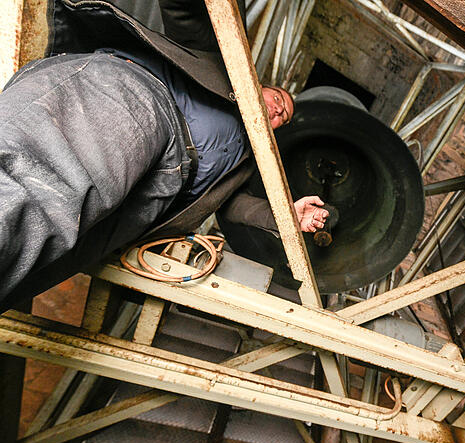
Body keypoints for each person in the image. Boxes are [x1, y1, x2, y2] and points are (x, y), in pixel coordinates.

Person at [0, 0, 328, 311]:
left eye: (281, 119)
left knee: (39, 264)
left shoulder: (243, 163)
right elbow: (183, 12)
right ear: (258, 83)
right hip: (142, 102)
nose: (277, 112)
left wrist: (286, 216)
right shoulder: (221, 61)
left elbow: (232, 207)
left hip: (150, 205)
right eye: (278, 101)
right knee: (34, 193)